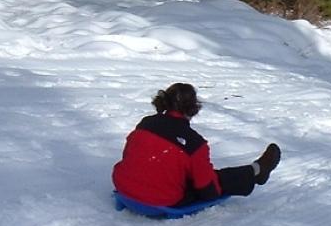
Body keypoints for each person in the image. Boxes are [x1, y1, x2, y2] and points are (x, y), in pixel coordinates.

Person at [112, 82, 281, 208]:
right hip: (160, 199)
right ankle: (257, 170)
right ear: (193, 108)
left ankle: (256, 170)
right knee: (213, 179)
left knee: (183, 171)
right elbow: (208, 191)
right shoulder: (194, 143)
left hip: (124, 187)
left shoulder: (145, 124)